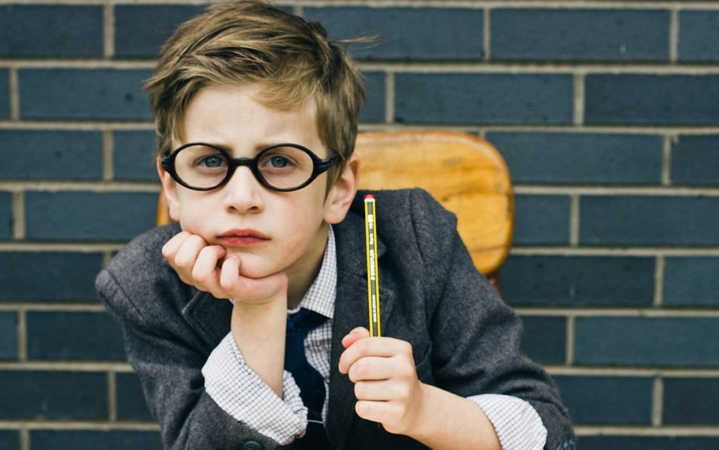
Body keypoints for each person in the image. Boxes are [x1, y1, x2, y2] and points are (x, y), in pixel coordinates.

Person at [96, 1, 574, 449]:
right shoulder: (147, 286)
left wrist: (426, 409)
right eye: (210, 161)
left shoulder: (416, 238)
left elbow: (544, 429)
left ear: (339, 189)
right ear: (172, 187)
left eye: (280, 160)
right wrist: (258, 308)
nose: (241, 198)